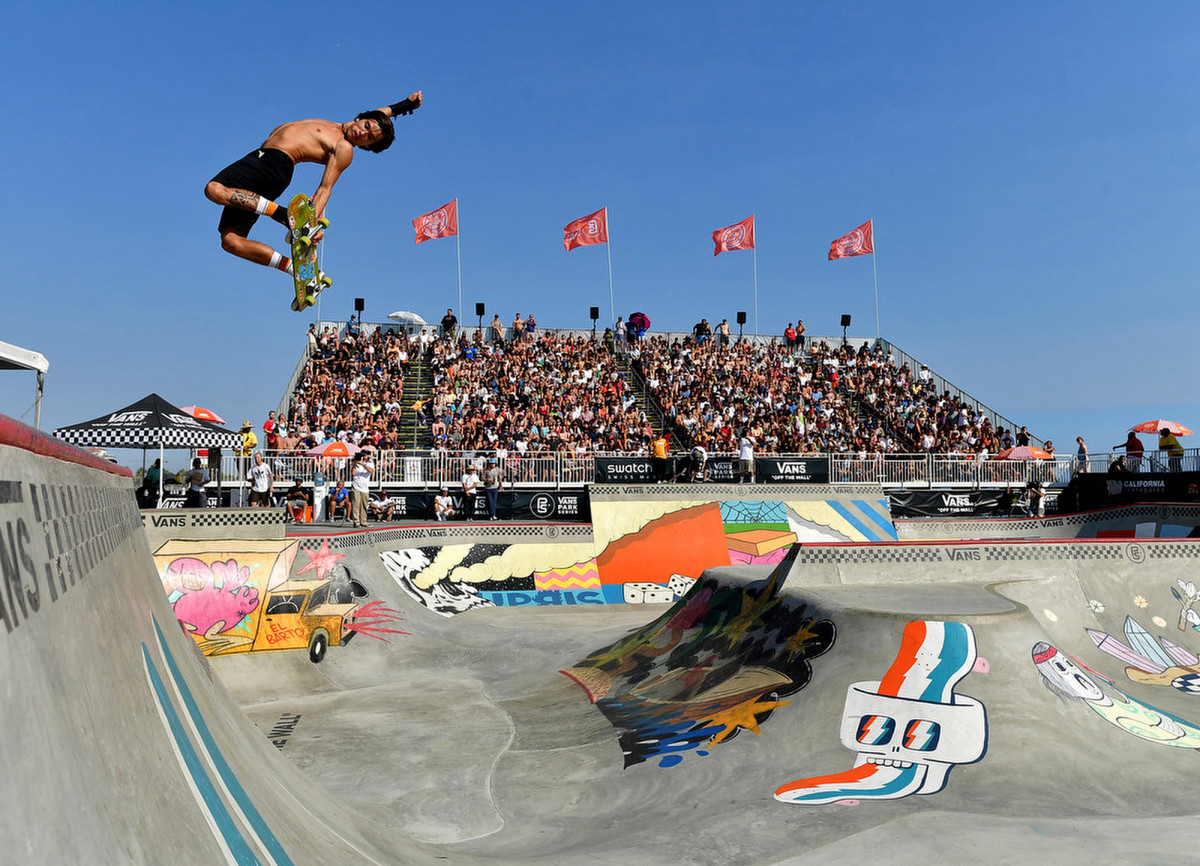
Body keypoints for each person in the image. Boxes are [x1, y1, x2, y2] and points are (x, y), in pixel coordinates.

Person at [204, 92, 423, 289]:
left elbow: (325, 188)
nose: (363, 134)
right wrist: (405, 105)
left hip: (273, 163)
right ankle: (295, 270)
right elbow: (378, 116)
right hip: (259, 159)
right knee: (231, 241)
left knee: (214, 190)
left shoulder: (343, 147)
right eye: (366, 127)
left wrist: (309, 222)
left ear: (367, 147)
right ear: (361, 118)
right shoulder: (345, 124)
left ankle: (283, 215)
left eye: (370, 139)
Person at [350, 450, 374, 527]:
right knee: (356, 504)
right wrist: (354, 464)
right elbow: (353, 473)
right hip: (356, 486)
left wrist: (363, 464)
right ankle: (356, 521)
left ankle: (363, 521)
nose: (365, 456)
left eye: (366, 455)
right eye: (364, 455)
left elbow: (371, 471)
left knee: (364, 505)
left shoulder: (370, 463)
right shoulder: (356, 463)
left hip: (365, 487)